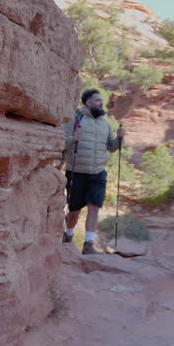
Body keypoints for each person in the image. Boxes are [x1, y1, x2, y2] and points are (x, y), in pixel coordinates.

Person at [62, 89, 125, 254]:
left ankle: (88, 244)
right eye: (97, 100)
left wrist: (119, 139)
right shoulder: (74, 120)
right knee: (74, 211)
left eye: (101, 100)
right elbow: (60, 142)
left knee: (94, 207)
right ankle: (68, 235)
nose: (100, 103)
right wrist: (72, 139)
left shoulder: (105, 124)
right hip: (76, 171)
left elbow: (111, 148)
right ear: (88, 103)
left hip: (98, 173)